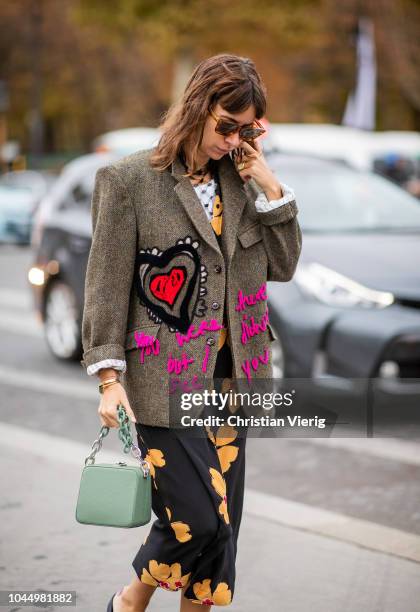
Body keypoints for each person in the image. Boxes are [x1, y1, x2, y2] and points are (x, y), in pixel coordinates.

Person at [80, 53, 302, 611]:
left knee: (221, 537)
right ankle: (129, 599)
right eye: (225, 125)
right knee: (199, 522)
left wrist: (269, 184)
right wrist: (109, 378)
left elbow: (284, 265)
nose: (232, 140)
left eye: (244, 129)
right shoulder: (129, 180)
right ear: (197, 109)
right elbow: (105, 284)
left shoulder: (247, 183)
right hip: (163, 387)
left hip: (234, 382)